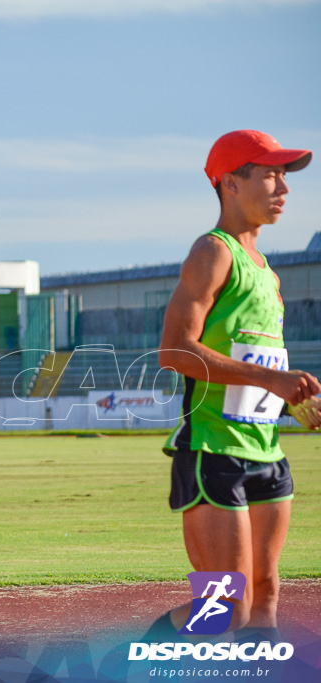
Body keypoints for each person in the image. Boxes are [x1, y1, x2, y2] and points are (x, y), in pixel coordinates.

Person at [149, 130, 320, 642]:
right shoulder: (212, 251)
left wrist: (296, 404)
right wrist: (273, 378)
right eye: (269, 175)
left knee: (266, 594)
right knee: (226, 609)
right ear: (229, 182)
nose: (282, 188)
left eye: (284, 177)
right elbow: (175, 352)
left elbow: (255, 364)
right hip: (212, 449)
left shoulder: (268, 273)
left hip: (266, 450)